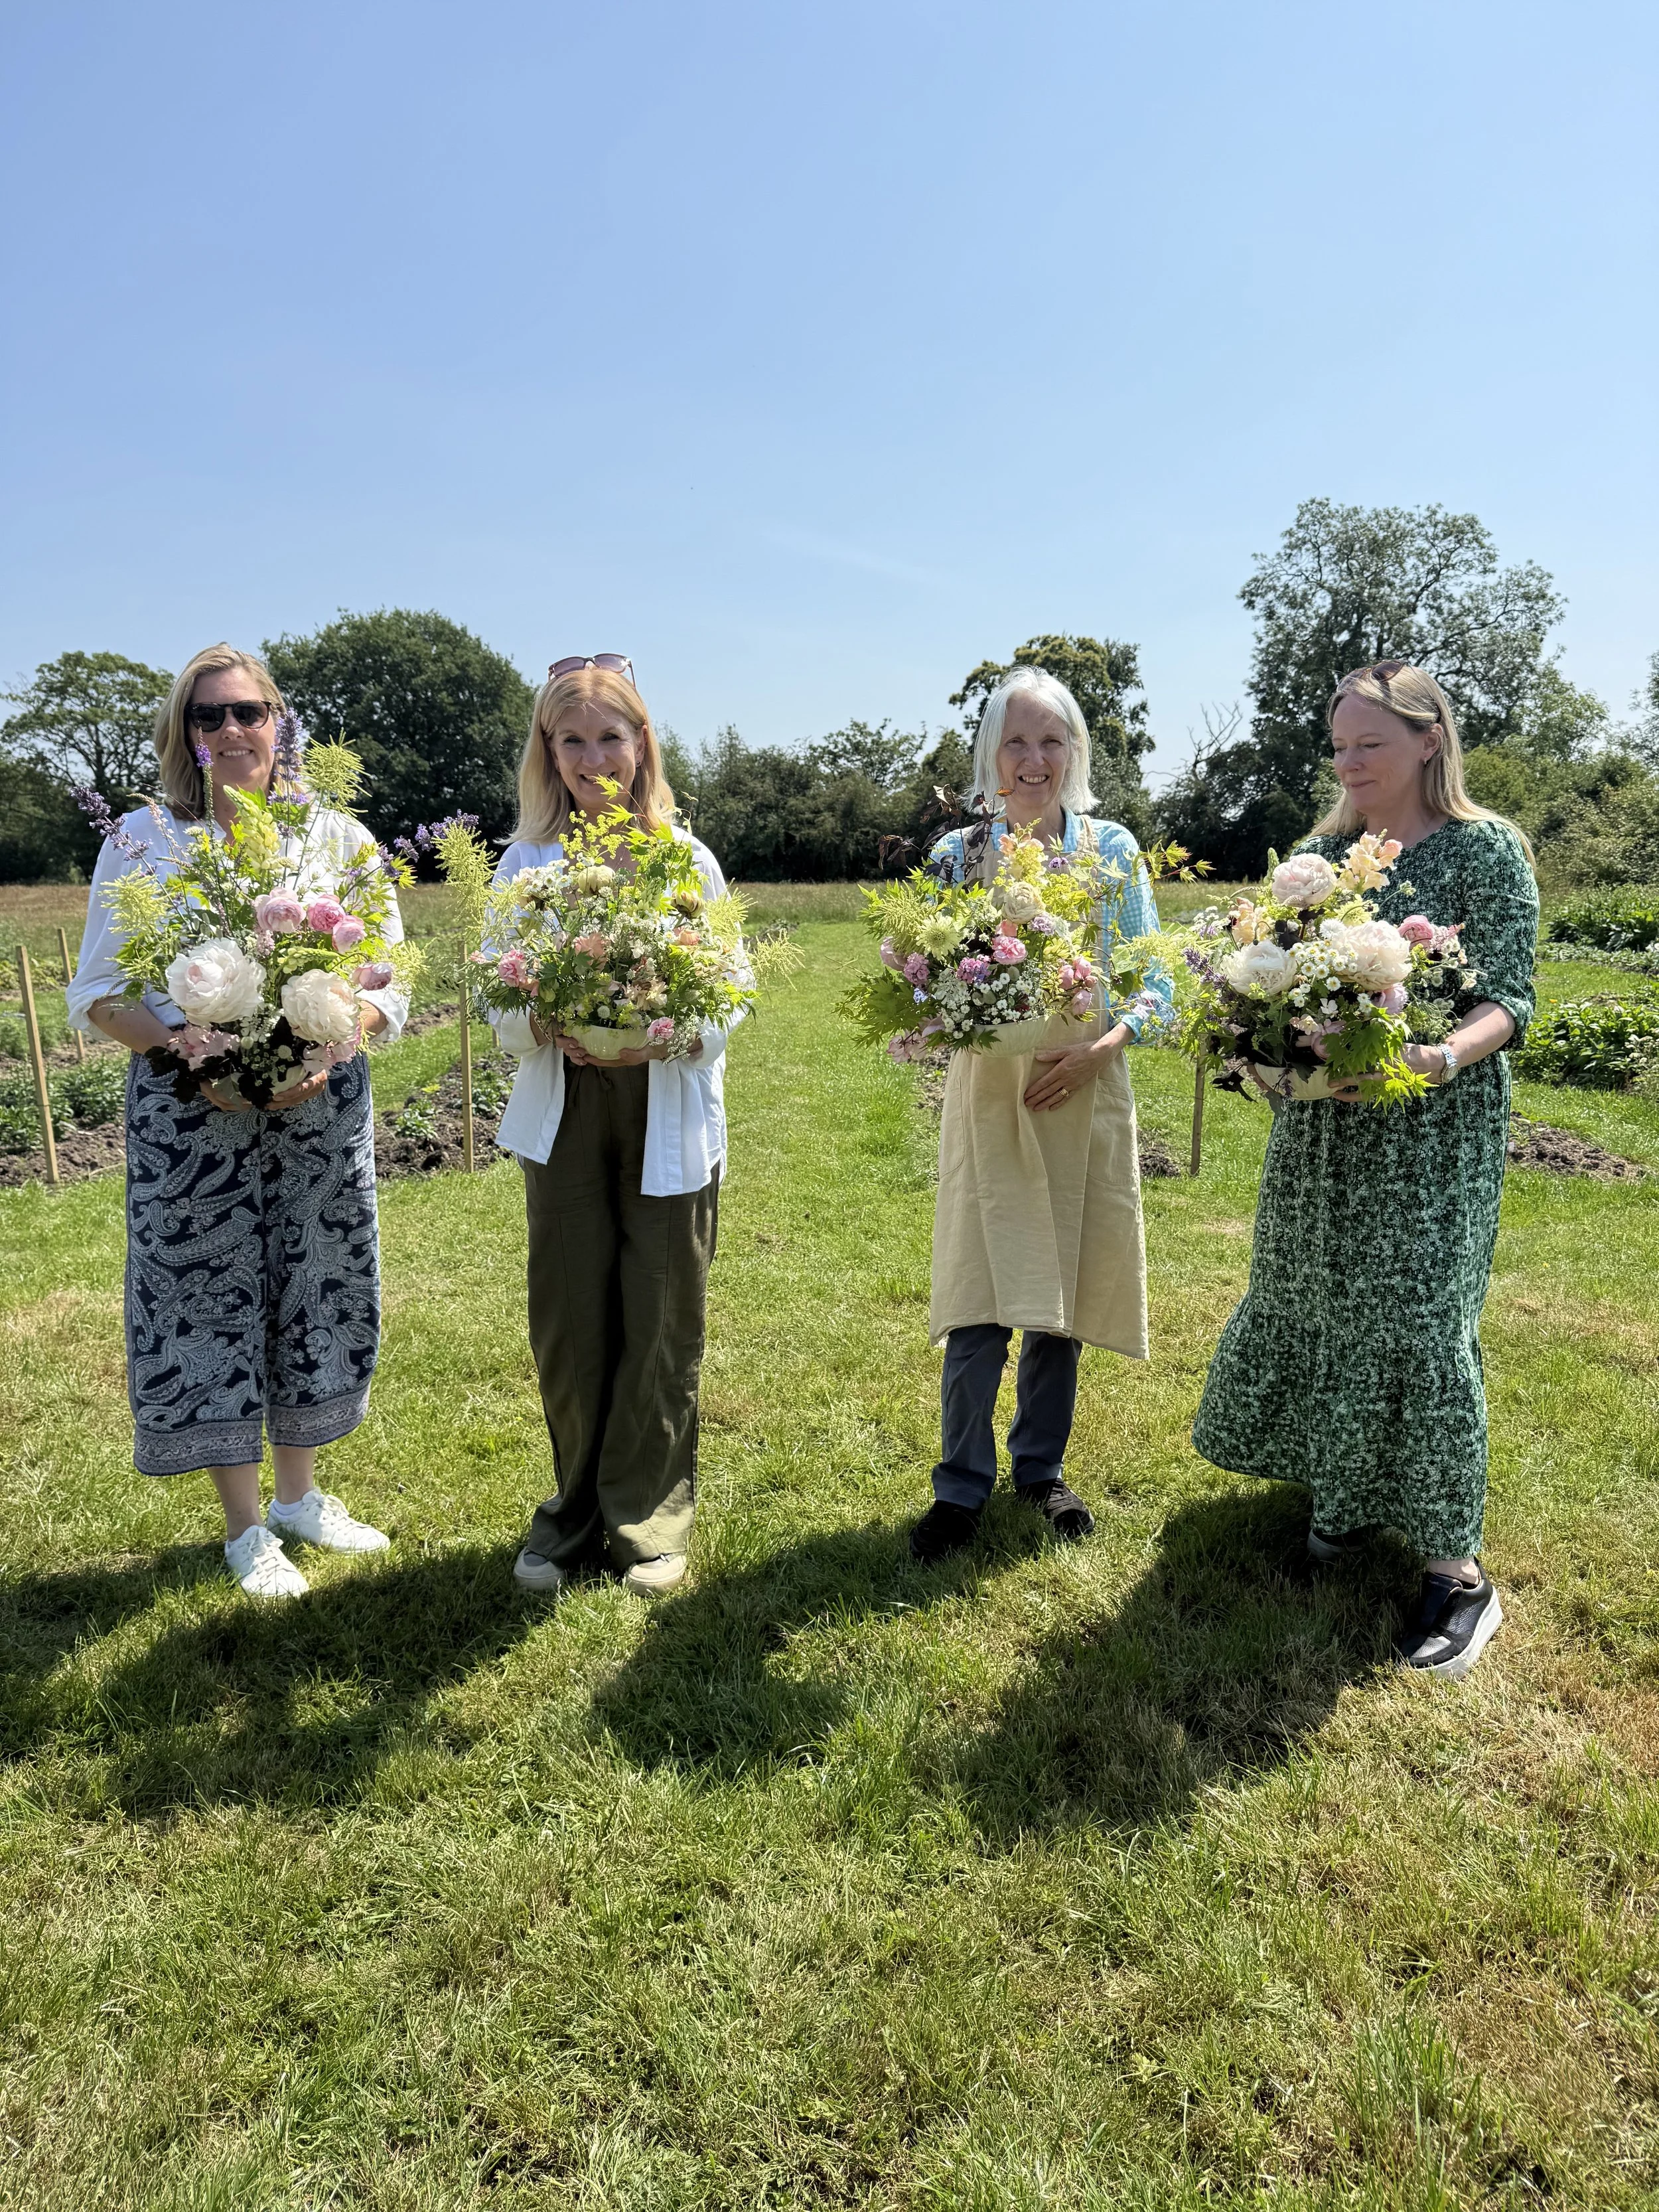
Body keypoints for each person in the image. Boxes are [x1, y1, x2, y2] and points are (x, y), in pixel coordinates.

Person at [1191, 660, 1539, 1680]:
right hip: (1323, 1135)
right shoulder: (1317, 854)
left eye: (1370, 744)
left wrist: (1430, 1059)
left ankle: (1456, 1576)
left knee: (1422, 1324)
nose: (1350, 762)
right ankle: (1342, 1506)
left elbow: (1510, 1000)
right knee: (1323, 1299)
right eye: (1340, 745)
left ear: (1430, 742)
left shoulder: (1486, 851)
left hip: (1431, 1134)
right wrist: (1256, 1043)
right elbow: (1272, 980)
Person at [69, 643, 405, 1599]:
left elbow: (394, 978)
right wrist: (191, 1054)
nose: (229, 732)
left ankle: (300, 1497)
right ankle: (245, 1525)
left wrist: (335, 1037)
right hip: (191, 1115)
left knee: (317, 1283)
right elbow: (96, 992)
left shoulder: (335, 838)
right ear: (186, 734)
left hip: (319, 1104)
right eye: (206, 718)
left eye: (246, 712)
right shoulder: (142, 841)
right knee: (204, 1294)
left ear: (278, 720)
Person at [490, 657, 740, 1600]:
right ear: (546, 755)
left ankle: (649, 1519)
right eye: (572, 741)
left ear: (642, 746)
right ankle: (573, 1513)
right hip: (565, 1109)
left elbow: (731, 991)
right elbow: (497, 989)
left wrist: (666, 1031)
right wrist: (543, 1021)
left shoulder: (688, 858)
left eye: (611, 738)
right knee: (571, 1318)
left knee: (662, 1311)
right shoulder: (525, 867)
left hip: (666, 1105)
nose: (594, 759)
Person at [908, 667, 1171, 1564]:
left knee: (1060, 1294)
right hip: (990, 1096)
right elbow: (928, 977)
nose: (1034, 760)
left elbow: (1156, 981)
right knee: (981, 1291)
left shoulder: (1113, 850)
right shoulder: (959, 856)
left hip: (1081, 1089)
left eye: (1051, 741)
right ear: (991, 754)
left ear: (1075, 752)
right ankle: (960, 1486)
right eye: (1016, 742)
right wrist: (934, 997)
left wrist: (1105, 1045)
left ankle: (1042, 1470)